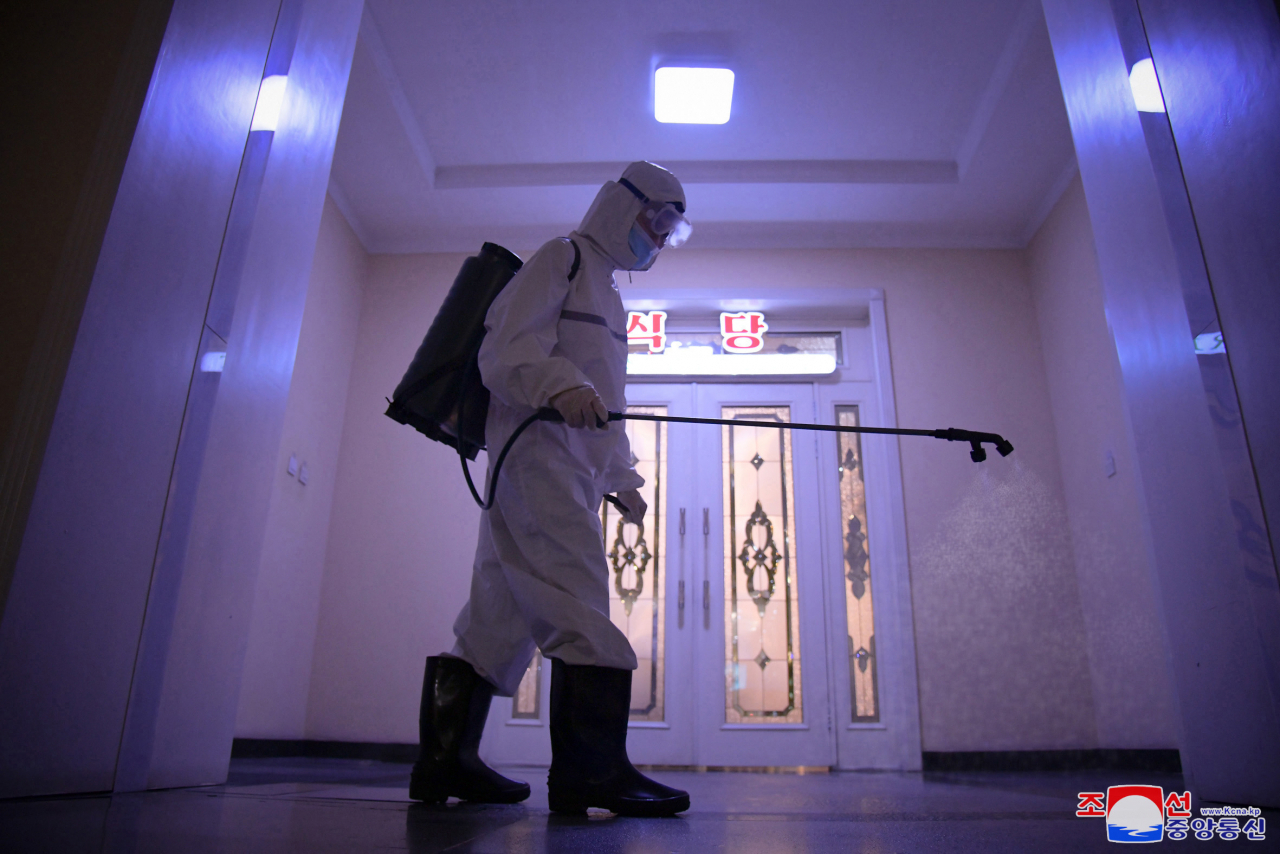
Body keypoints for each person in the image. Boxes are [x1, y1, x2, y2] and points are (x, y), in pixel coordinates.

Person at [409, 162, 692, 817]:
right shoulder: (561, 257)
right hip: (538, 459)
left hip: (556, 467)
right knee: (577, 597)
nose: (660, 238)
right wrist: (557, 385)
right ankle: (590, 773)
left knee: (497, 616)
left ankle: (445, 760)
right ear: (626, 208)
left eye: (671, 231)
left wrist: (622, 479)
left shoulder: (610, 295)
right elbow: (505, 352)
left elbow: (606, 403)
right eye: (659, 222)